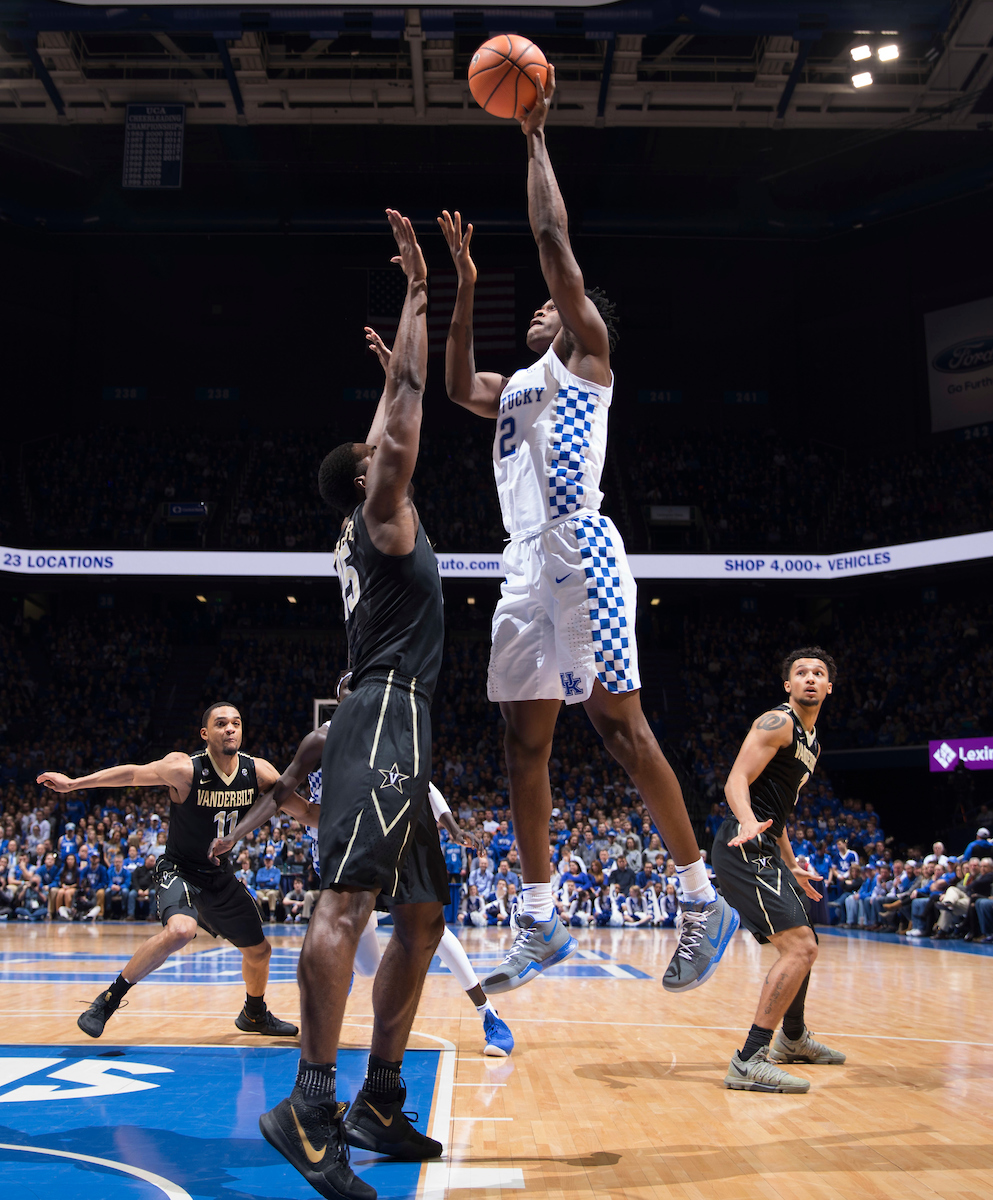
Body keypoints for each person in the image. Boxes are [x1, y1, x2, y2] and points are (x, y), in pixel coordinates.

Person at [438, 63, 737, 996]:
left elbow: (553, 236)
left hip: (583, 550)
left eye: (558, 306)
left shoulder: (588, 363)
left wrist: (532, 139)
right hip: (523, 566)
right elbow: (456, 387)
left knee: (617, 726)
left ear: (580, 320)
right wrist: (461, 285)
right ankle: (539, 919)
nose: (542, 310)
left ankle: (699, 897)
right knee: (521, 744)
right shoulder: (516, 387)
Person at [238, 211, 445, 1200]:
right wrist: (416, 296)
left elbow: (384, 420)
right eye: (377, 454)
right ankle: (308, 1107)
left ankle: (378, 1097)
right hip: (387, 710)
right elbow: (403, 408)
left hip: (394, 713)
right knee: (345, 904)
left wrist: (385, 380)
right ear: (368, 480)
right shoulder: (383, 508)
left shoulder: (364, 522)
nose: (388, 451)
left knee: (424, 915)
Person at [210, 713, 515, 1061]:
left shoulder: (386, 738)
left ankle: (487, 1012)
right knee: (367, 965)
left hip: (382, 843)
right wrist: (235, 834)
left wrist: (452, 827)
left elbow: (423, 786)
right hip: (335, 854)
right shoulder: (320, 741)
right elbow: (282, 796)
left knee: (430, 928)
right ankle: (345, 973)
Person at [37, 702, 297, 1040]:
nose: (230, 728)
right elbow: (131, 773)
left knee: (260, 951)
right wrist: (75, 784)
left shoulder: (258, 771)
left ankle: (254, 1013)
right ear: (206, 733)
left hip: (219, 875)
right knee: (180, 930)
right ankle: (107, 1000)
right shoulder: (184, 768)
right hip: (180, 869)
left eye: (236, 723)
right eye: (221, 724)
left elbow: (294, 805)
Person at [712, 648, 846, 1094]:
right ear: (788, 686)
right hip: (742, 841)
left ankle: (792, 1039)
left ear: (829, 687)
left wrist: (792, 863)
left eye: (819, 673)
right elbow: (736, 781)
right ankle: (750, 1058)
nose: (810, 678)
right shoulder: (778, 721)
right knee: (800, 947)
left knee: (807, 938)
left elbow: (779, 811)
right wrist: (748, 821)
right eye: (801, 673)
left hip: (765, 841)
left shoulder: (814, 743)